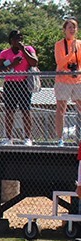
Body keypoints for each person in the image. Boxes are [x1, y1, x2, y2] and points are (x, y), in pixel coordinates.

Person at [0, 29, 38, 146]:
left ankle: (27, 138)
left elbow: (34, 62)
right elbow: (0, 68)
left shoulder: (29, 49)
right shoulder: (4, 53)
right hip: (10, 84)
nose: (19, 40)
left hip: (24, 83)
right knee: (10, 111)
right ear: (11, 40)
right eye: (16, 38)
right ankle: (8, 138)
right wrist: (13, 64)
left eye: (21, 37)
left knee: (26, 110)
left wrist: (23, 50)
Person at [55, 18, 81, 147]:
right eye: (70, 27)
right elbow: (60, 63)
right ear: (64, 30)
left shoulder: (80, 44)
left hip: (77, 80)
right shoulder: (59, 44)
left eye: (74, 27)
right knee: (61, 109)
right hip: (62, 81)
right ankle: (60, 139)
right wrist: (71, 52)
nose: (72, 29)